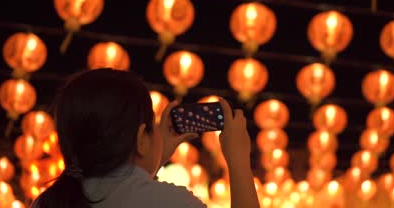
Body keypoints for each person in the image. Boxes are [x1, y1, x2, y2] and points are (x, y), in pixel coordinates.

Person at [32, 68, 259, 208]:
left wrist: (150, 159)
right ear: (141, 138)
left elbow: (123, 187)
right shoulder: (170, 202)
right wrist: (238, 160)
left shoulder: (46, 202)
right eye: (152, 126)